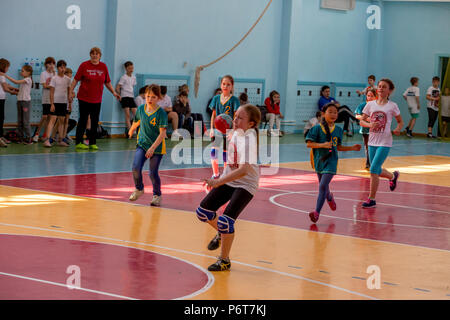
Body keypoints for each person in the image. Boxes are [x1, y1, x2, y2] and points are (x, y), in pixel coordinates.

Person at [197, 104, 261, 271]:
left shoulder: (249, 140)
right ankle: (221, 232)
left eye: (240, 118)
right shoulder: (234, 133)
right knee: (203, 212)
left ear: (251, 124)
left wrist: (218, 181)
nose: (235, 120)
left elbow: (243, 170)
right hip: (230, 180)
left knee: (226, 221)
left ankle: (224, 260)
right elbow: (229, 158)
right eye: (235, 116)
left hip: (246, 184)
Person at [306, 102, 361, 223]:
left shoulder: (339, 130)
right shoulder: (316, 129)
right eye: (330, 112)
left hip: (332, 161)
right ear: (323, 114)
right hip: (319, 161)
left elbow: (338, 147)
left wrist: (352, 148)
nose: (333, 114)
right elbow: (309, 144)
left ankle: (316, 213)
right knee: (324, 188)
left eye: (335, 112)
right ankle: (329, 197)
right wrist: (322, 145)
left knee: (322, 186)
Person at [359, 78, 403, 208]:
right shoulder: (370, 105)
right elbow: (361, 121)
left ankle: (371, 199)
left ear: (389, 91)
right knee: (376, 170)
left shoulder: (392, 106)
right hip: (372, 141)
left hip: (385, 141)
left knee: (373, 169)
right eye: (379, 86)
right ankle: (392, 176)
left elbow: (400, 121)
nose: (381, 88)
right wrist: (370, 124)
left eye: (384, 87)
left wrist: (397, 129)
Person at [69, 47, 120, 150]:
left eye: (97, 54)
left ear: (100, 56)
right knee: (83, 120)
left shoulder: (103, 66)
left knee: (94, 121)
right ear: (90, 55)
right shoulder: (84, 65)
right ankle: (79, 142)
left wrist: (114, 92)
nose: (94, 55)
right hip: (84, 98)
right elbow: (75, 80)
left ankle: (92, 143)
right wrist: (70, 91)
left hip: (96, 100)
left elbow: (107, 82)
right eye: (92, 53)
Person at [128, 84, 168, 207]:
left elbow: (162, 135)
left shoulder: (161, 113)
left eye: (153, 97)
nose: (150, 99)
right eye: (148, 96)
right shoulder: (140, 109)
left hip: (157, 146)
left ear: (159, 98)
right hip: (142, 144)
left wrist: (152, 148)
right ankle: (139, 188)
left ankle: (157, 195)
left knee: (152, 173)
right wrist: (131, 130)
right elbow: (137, 121)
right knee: (135, 167)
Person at [208, 75, 240, 179]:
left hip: (229, 130)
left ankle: (225, 175)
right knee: (213, 151)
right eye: (223, 84)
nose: (225, 86)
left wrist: (233, 131)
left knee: (226, 154)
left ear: (232, 86)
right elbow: (213, 114)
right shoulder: (216, 98)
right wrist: (212, 128)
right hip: (217, 129)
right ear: (221, 85)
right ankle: (215, 174)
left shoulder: (234, 100)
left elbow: (236, 117)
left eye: (228, 84)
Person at [1, 65, 34, 144]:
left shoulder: (28, 79)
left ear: (28, 72)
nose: (21, 72)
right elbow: (20, 91)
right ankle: (21, 137)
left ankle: (29, 138)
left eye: (23, 71)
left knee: (25, 122)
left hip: (25, 102)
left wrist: (6, 76)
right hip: (20, 101)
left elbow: (16, 82)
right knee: (20, 121)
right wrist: (11, 89)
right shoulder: (24, 80)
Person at [43, 60, 71, 147]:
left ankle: (61, 139)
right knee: (52, 120)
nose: (62, 69)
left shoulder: (68, 79)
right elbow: (51, 92)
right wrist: (52, 104)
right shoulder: (54, 78)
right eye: (61, 67)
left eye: (64, 67)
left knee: (61, 121)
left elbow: (69, 92)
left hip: (63, 103)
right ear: (58, 68)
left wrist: (69, 104)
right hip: (55, 102)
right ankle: (47, 140)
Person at [32, 57, 56, 143]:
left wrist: (54, 74)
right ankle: (36, 134)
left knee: (50, 118)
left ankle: (45, 135)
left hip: (53, 99)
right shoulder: (43, 74)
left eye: (53, 64)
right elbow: (45, 86)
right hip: (46, 98)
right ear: (46, 65)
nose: (51, 65)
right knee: (44, 116)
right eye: (49, 64)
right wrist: (52, 86)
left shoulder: (55, 74)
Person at [355, 88, 377, 169]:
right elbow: (357, 115)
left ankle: (374, 162)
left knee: (375, 146)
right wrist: (366, 119)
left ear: (376, 97)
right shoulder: (362, 105)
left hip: (375, 130)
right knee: (367, 146)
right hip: (365, 129)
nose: (370, 98)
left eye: (372, 96)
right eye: (368, 96)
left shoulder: (378, 106)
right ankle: (368, 162)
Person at [0, 58, 18, 147]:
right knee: (1, 117)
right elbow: (5, 88)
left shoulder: (2, 75)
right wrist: (14, 93)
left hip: (2, 98)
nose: (8, 69)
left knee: (2, 117)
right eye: (7, 67)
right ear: (4, 67)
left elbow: (6, 85)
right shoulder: (2, 75)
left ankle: (1, 136)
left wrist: (14, 89)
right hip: (0, 98)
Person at [116, 61, 137, 135]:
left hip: (131, 97)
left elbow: (132, 86)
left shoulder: (134, 77)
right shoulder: (123, 77)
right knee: (127, 114)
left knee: (136, 113)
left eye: (132, 68)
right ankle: (130, 131)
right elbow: (118, 86)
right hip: (124, 97)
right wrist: (119, 95)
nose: (131, 69)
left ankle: (136, 129)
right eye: (129, 68)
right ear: (126, 69)